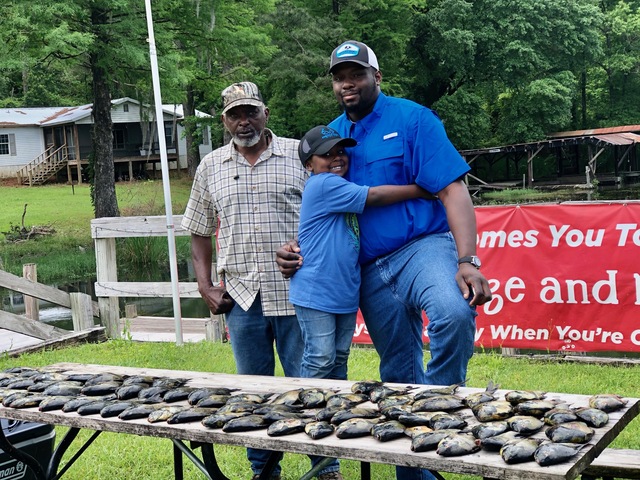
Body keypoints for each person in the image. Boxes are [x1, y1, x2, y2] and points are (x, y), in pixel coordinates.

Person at [276, 41, 493, 480]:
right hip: (367, 269)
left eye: (356, 73)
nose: (347, 83)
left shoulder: (414, 118)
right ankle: (414, 473)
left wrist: (467, 259)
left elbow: (452, 188)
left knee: (452, 312)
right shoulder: (333, 139)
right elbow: (320, 211)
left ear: (377, 76)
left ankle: (439, 408)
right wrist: (294, 250)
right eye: (339, 76)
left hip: (421, 247)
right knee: (396, 371)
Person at [181, 82, 341, 480]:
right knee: (253, 391)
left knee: (308, 385)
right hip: (240, 296)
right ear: (224, 121)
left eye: (250, 111)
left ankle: (324, 467)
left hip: (299, 291)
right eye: (235, 114)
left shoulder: (298, 154)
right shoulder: (211, 166)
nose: (243, 121)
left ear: (265, 114)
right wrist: (205, 286)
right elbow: (199, 230)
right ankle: (264, 469)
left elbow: (329, 212)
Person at [291, 124, 433, 382]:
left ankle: (333, 410)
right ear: (308, 166)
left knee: (339, 356)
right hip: (316, 289)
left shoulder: (341, 185)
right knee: (320, 357)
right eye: (326, 154)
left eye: (341, 151)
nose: (337, 157)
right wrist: (423, 189)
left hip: (345, 289)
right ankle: (304, 409)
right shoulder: (323, 183)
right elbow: (375, 195)